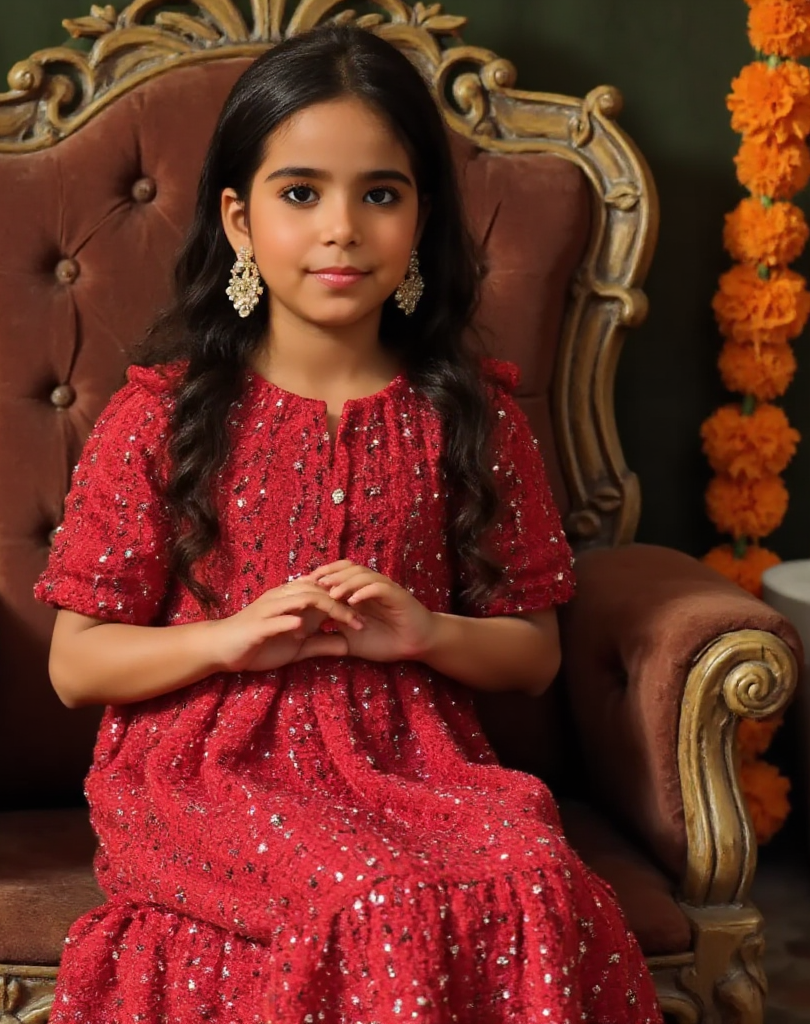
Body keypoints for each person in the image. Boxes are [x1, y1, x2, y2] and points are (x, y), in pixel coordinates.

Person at [34, 23, 662, 1024]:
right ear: (239, 220)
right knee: (373, 894)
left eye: (379, 193)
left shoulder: (470, 415)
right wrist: (231, 640)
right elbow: (75, 663)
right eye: (300, 193)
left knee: (532, 869)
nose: (341, 228)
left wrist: (421, 632)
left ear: (419, 219)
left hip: (414, 761)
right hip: (210, 766)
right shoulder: (164, 414)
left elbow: (532, 653)